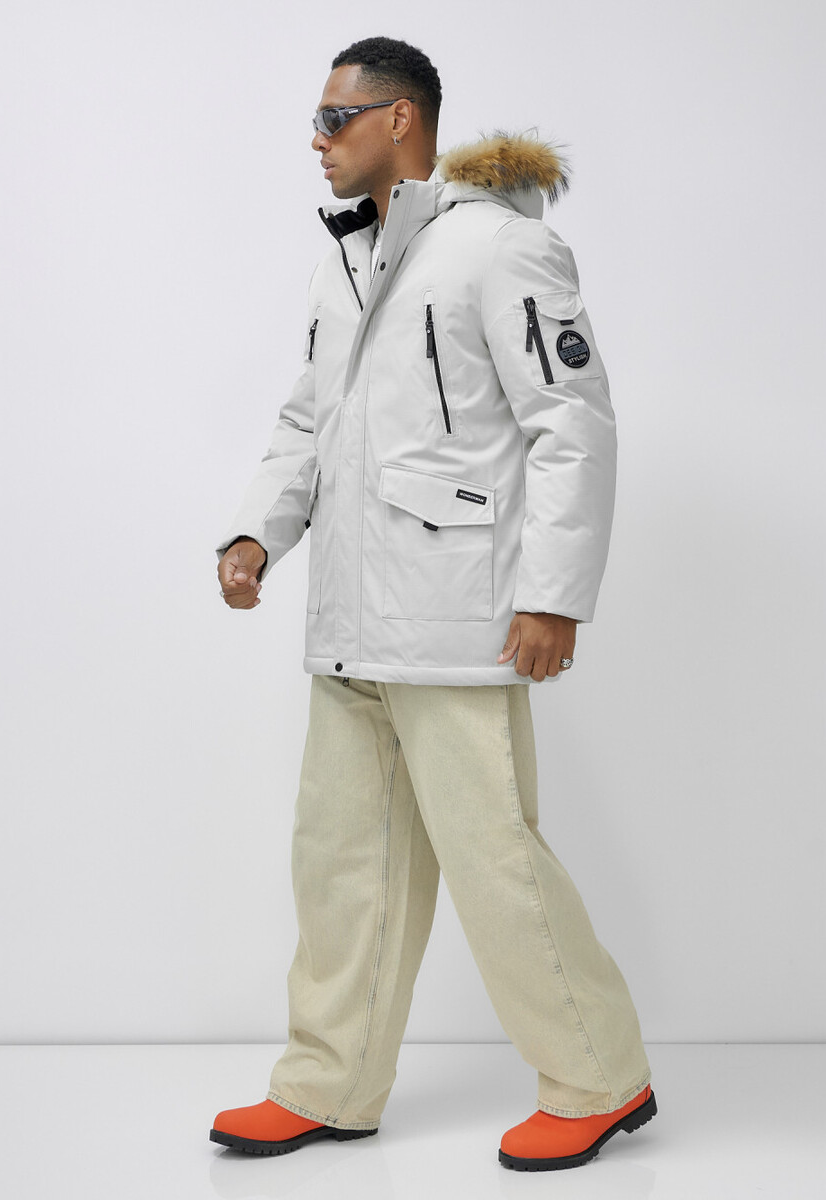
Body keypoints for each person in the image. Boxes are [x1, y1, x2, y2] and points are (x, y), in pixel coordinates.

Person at [209, 36, 655, 1173]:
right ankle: (330, 1085)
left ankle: (600, 1079)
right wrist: (259, 531)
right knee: (338, 864)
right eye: (315, 121)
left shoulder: (500, 247)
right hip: (351, 621)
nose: (316, 141)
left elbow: (572, 423)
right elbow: (309, 421)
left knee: (495, 859)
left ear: (399, 118)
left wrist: (554, 595)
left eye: (334, 118)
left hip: (459, 619)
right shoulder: (345, 262)